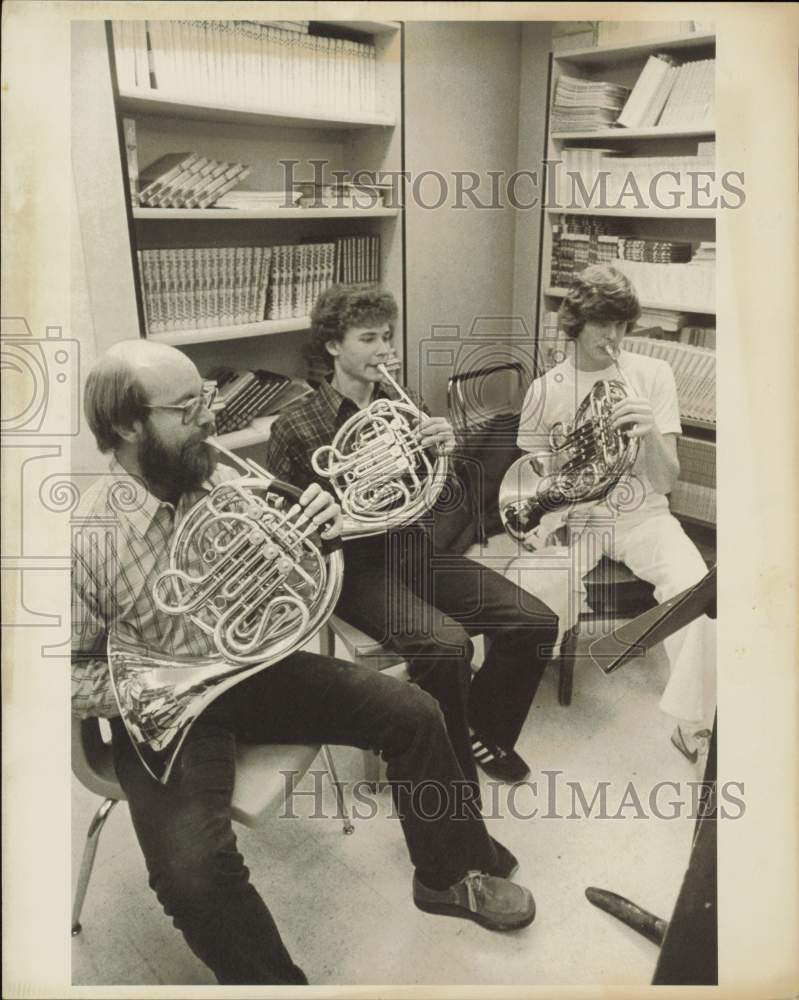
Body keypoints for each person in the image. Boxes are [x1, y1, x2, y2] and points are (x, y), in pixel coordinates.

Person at [71, 339, 538, 987]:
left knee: (413, 711)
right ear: (126, 424)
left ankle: (447, 874)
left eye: (206, 399)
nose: (210, 419)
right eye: (187, 409)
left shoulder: (220, 476)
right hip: (164, 708)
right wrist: (155, 684)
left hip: (247, 670)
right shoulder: (87, 537)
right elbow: (66, 674)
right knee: (193, 875)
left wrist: (312, 533)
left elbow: (284, 585)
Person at [264, 284, 559, 788]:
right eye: (369, 339)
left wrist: (443, 452)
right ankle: (449, 777)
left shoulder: (404, 406)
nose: (385, 350)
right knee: (446, 647)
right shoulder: (295, 423)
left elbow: (437, 499)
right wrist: (330, 510)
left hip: (416, 548)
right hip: (352, 567)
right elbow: (284, 528)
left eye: (387, 337)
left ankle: (480, 731)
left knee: (534, 621)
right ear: (333, 345)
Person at [514, 265, 716, 762]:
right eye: (604, 323)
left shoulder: (652, 375)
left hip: (643, 515)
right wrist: (548, 518)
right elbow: (528, 479)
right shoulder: (546, 389)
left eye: (624, 325)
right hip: (577, 518)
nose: (616, 337)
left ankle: (693, 721)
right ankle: (511, 688)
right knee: (529, 588)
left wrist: (648, 431)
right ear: (576, 323)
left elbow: (666, 480)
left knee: (702, 594)